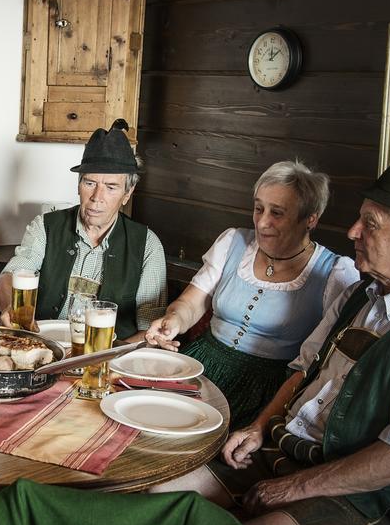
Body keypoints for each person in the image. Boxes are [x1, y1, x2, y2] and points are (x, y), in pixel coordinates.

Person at [149, 159, 390, 525]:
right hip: (290, 450)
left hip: (369, 493)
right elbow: (304, 369)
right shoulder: (361, 293)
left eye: (368, 224)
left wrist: (294, 488)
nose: (353, 231)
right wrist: (260, 427)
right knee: (159, 499)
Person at [145, 161, 359, 429]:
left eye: (277, 213)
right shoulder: (232, 241)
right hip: (201, 365)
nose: (263, 222)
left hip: (267, 390)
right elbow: (192, 302)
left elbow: (323, 361)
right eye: (259, 208)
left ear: (310, 219)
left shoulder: (335, 273)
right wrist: (174, 321)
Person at [0, 119, 167, 342]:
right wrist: (11, 306)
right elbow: (8, 278)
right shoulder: (45, 227)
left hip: (107, 360)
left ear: (128, 192)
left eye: (111, 187)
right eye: (89, 183)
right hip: (43, 348)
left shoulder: (147, 245)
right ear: (78, 185)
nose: (97, 197)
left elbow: (149, 333)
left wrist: (107, 358)